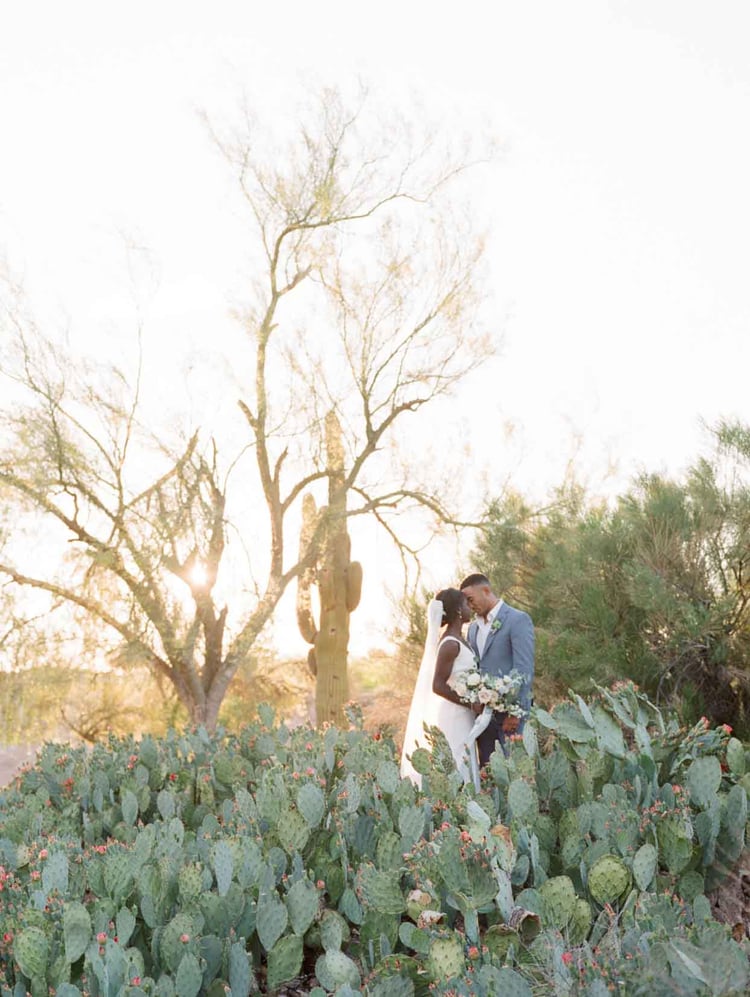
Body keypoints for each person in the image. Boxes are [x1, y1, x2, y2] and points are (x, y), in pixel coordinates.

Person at [400, 588, 477, 785]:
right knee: (456, 763)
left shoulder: (461, 640)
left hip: (464, 713)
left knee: (464, 760)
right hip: (454, 714)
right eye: (466, 604)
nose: (470, 607)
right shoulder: (450, 644)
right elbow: (438, 685)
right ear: (459, 610)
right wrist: (469, 703)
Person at [460, 572, 534, 765]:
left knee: (514, 772)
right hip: (484, 717)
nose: (469, 606)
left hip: (511, 717)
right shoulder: (473, 629)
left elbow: (524, 669)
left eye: (470, 599)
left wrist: (515, 713)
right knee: (489, 772)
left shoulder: (517, 620)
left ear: (486, 590)